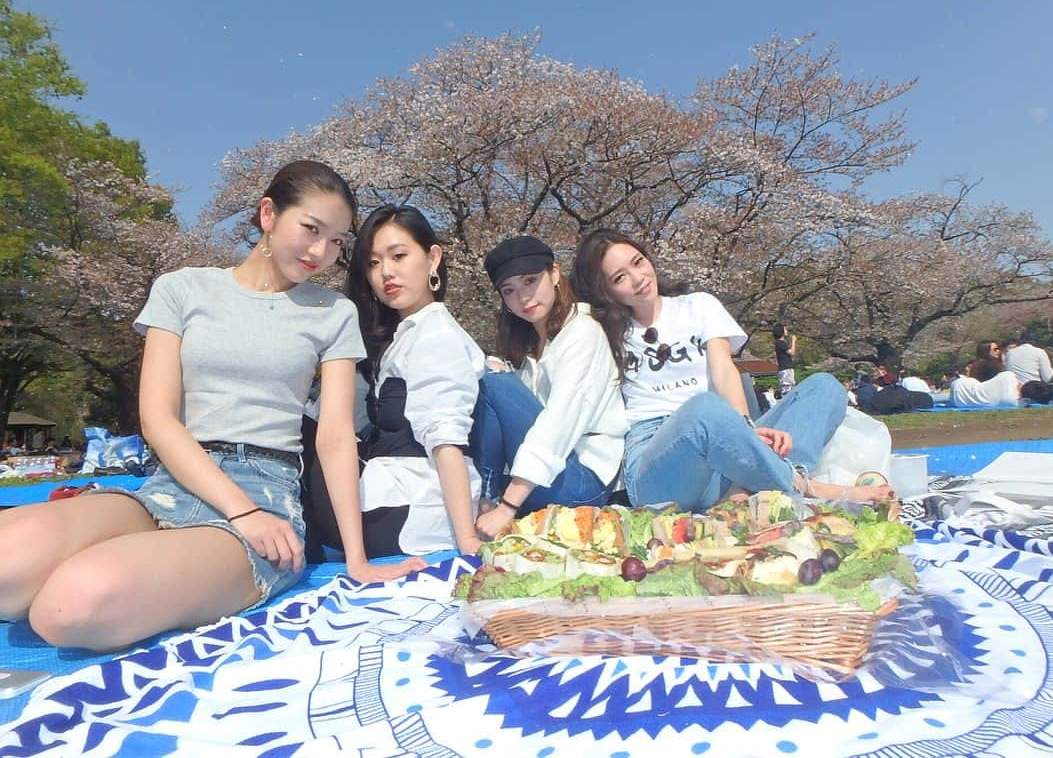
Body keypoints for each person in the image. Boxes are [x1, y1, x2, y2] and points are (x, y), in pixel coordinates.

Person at [0, 161, 424, 652]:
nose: (320, 252)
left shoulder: (333, 314)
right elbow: (157, 418)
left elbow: (333, 438)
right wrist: (236, 508)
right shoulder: (183, 288)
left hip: (266, 497)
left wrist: (358, 559)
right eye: (310, 229)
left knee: (69, 607)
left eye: (336, 241)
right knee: (9, 561)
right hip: (170, 482)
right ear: (268, 213)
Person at [571, 228, 893, 512]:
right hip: (660, 465)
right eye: (619, 277)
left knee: (824, 386)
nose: (638, 278)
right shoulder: (599, 330)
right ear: (605, 291)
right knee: (702, 408)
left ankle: (749, 489)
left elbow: (723, 367)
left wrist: (745, 429)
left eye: (638, 262)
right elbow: (552, 313)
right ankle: (802, 486)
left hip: (726, 440)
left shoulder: (698, 305)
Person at [340, 204, 485, 557]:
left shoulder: (436, 333)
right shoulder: (406, 333)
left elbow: (445, 437)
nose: (385, 272)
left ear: (433, 258)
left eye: (399, 256)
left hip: (408, 510)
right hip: (389, 500)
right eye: (373, 263)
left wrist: (468, 540)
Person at [469, 236, 628, 540]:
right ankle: (484, 495)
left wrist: (507, 505)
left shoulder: (582, 333)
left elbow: (558, 423)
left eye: (531, 280)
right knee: (489, 376)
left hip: (583, 484)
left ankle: (486, 499)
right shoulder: (532, 345)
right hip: (551, 477)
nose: (523, 297)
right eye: (509, 291)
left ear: (554, 273)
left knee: (494, 385)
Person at [772, 324, 797, 397]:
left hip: (785, 369)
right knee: (787, 391)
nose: (787, 331)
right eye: (785, 329)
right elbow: (792, 352)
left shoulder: (780, 343)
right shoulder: (780, 343)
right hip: (786, 369)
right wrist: (793, 341)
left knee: (790, 389)